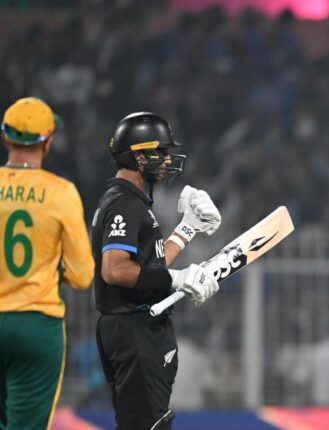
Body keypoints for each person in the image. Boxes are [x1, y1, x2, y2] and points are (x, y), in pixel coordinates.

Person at [92, 112, 221, 429]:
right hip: (134, 329)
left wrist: (188, 229)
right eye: (160, 151)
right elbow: (115, 269)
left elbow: (149, 266)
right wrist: (178, 278)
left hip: (135, 326)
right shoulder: (124, 203)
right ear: (139, 156)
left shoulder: (129, 201)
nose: (167, 159)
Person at [0, 97, 95, 430]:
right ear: (48, 141)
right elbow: (82, 276)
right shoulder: (61, 193)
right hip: (36, 325)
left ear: (6, 138)